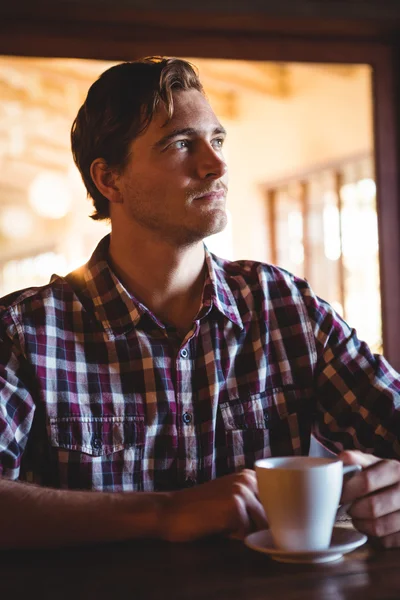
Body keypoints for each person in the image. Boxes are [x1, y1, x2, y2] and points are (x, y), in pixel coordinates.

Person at [0, 57, 399, 550]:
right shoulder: (24, 331)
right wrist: (165, 512)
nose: (217, 164)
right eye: (181, 144)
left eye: (217, 140)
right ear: (109, 180)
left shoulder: (286, 307)